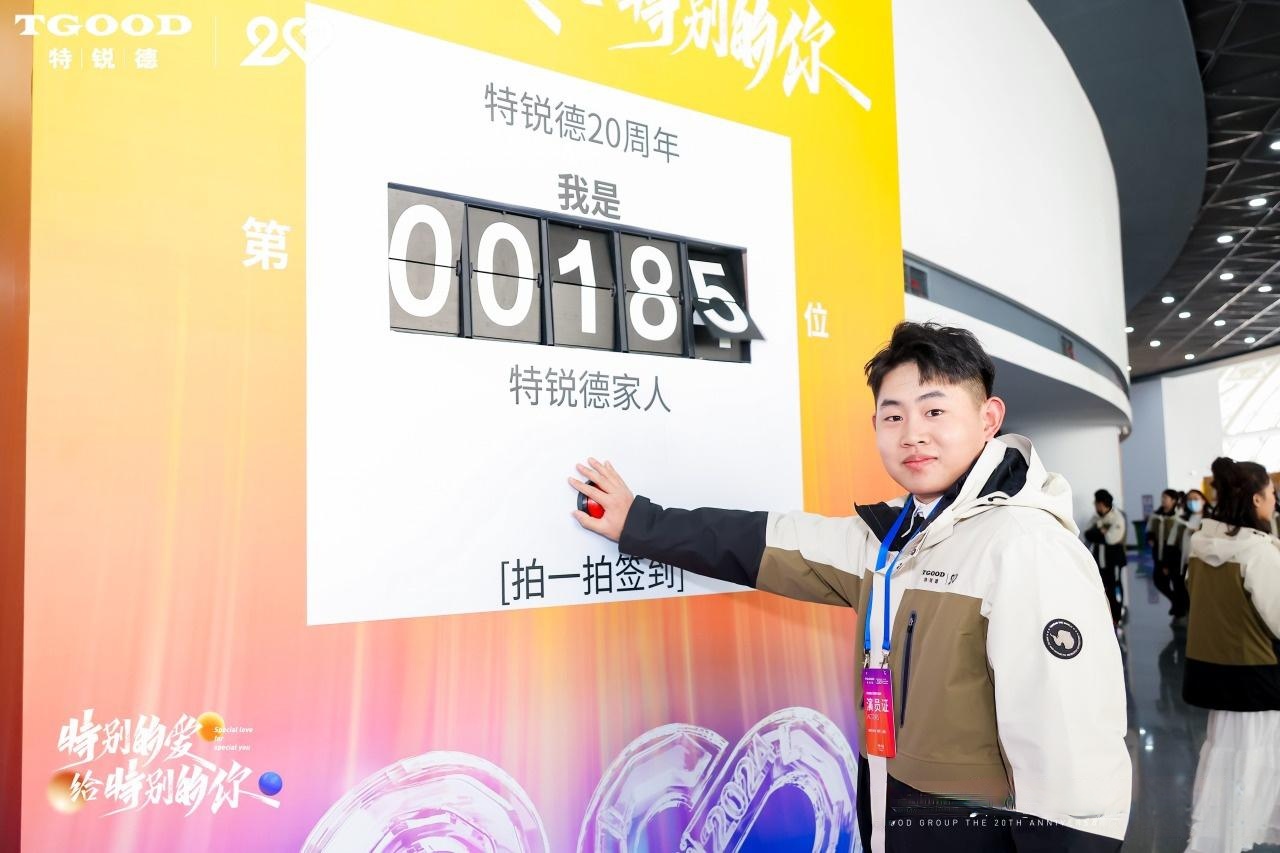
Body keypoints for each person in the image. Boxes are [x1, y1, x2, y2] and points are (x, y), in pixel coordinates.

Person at [570, 322, 1131, 851]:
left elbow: (1071, 755)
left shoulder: (1024, 545)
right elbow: (765, 541)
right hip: (897, 810)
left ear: (989, 419)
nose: (913, 434)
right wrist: (639, 522)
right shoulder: (891, 538)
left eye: (935, 411)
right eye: (893, 416)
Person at [1183, 457, 1280, 853]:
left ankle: (1222, 836)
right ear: (1256, 499)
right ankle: (1246, 831)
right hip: (1257, 675)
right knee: (1259, 759)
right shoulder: (1259, 553)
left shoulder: (1198, 545)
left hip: (1215, 673)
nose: (1274, 500)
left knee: (1225, 755)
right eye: (1271, 494)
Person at [1084, 489, 1127, 627]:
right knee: (1102, 586)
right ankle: (1106, 615)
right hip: (1099, 557)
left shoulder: (1117, 517)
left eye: (1096, 503)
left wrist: (1097, 533)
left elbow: (1111, 538)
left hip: (1113, 558)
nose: (1095, 505)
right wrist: (1100, 531)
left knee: (1114, 585)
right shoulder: (1096, 517)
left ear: (1102, 503)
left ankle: (1117, 616)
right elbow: (1087, 534)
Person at [1148, 489, 1184, 621]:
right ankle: (1176, 602)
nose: (1163, 500)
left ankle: (1180, 610)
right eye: (1162, 497)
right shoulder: (1156, 515)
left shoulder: (1179, 516)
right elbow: (1149, 530)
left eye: (1166, 498)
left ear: (1173, 500)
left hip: (1174, 555)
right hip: (1159, 554)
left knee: (1177, 583)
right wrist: (1150, 538)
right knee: (1159, 581)